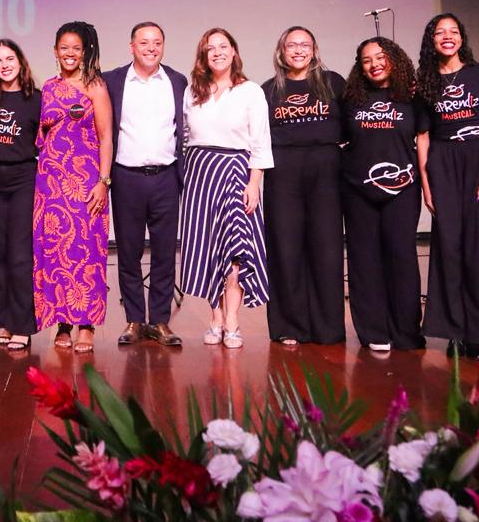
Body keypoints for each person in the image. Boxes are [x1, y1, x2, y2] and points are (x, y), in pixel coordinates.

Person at [179, 28, 273, 349]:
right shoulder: (193, 91)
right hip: (200, 174)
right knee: (208, 248)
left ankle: (232, 320)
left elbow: (260, 141)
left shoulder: (251, 92)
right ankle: (215, 317)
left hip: (236, 172)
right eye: (210, 48)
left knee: (235, 248)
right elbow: (186, 137)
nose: (217, 52)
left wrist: (254, 182)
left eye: (223, 46)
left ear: (234, 51)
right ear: (203, 56)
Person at [415, 13, 479, 360]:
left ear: (462, 37)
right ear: (431, 40)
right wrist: (426, 183)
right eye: (440, 32)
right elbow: (423, 136)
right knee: (448, 249)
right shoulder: (426, 81)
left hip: (477, 160)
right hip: (444, 164)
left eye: (453, 31)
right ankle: (454, 332)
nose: (447, 37)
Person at [103, 22, 188, 348]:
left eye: (157, 43)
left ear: (163, 46)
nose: (151, 48)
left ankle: (162, 321)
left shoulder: (177, 81)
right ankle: (135, 320)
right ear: (131, 46)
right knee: (128, 251)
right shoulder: (113, 80)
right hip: (127, 177)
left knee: (166, 251)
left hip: (166, 176)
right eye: (144, 42)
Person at [261, 26, 347, 347]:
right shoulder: (268, 90)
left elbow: (355, 122)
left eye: (305, 45)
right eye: (291, 45)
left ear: (314, 49)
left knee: (326, 250)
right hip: (282, 176)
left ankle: (327, 328)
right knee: (285, 250)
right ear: (281, 51)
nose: (298, 50)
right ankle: (290, 325)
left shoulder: (333, 83)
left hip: (326, 175)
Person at [339, 37, 424, 352]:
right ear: (359, 67)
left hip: (402, 190)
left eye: (380, 57)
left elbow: (424, 140)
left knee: (402, 259)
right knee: (364, 261)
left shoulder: (411, 97)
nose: (374, 64)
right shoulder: (350, 99)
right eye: (366, 60)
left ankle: (405, 332)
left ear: (394, 59)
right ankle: (374, 331)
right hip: (358, 191)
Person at [34, 21, 114, 354]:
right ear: (55, 51)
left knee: (86, 251)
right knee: (55, 253)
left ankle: (87, 324)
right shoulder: (49, 87)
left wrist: (103, 181)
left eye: (76, 48)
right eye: (64, 48)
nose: (69, 54)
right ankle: (63, 323)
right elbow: (42, 134)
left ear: (85, 52)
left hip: (85, 182)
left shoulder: (95, 87)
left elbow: (106, 136)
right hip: (51, 184)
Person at [0, 39, 41, 352]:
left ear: (20, 61)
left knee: (19, 254)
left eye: (9, 58)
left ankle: (22, 325)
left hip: (22, 179)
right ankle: (4, 320)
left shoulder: (36, 99)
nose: (4, 65)